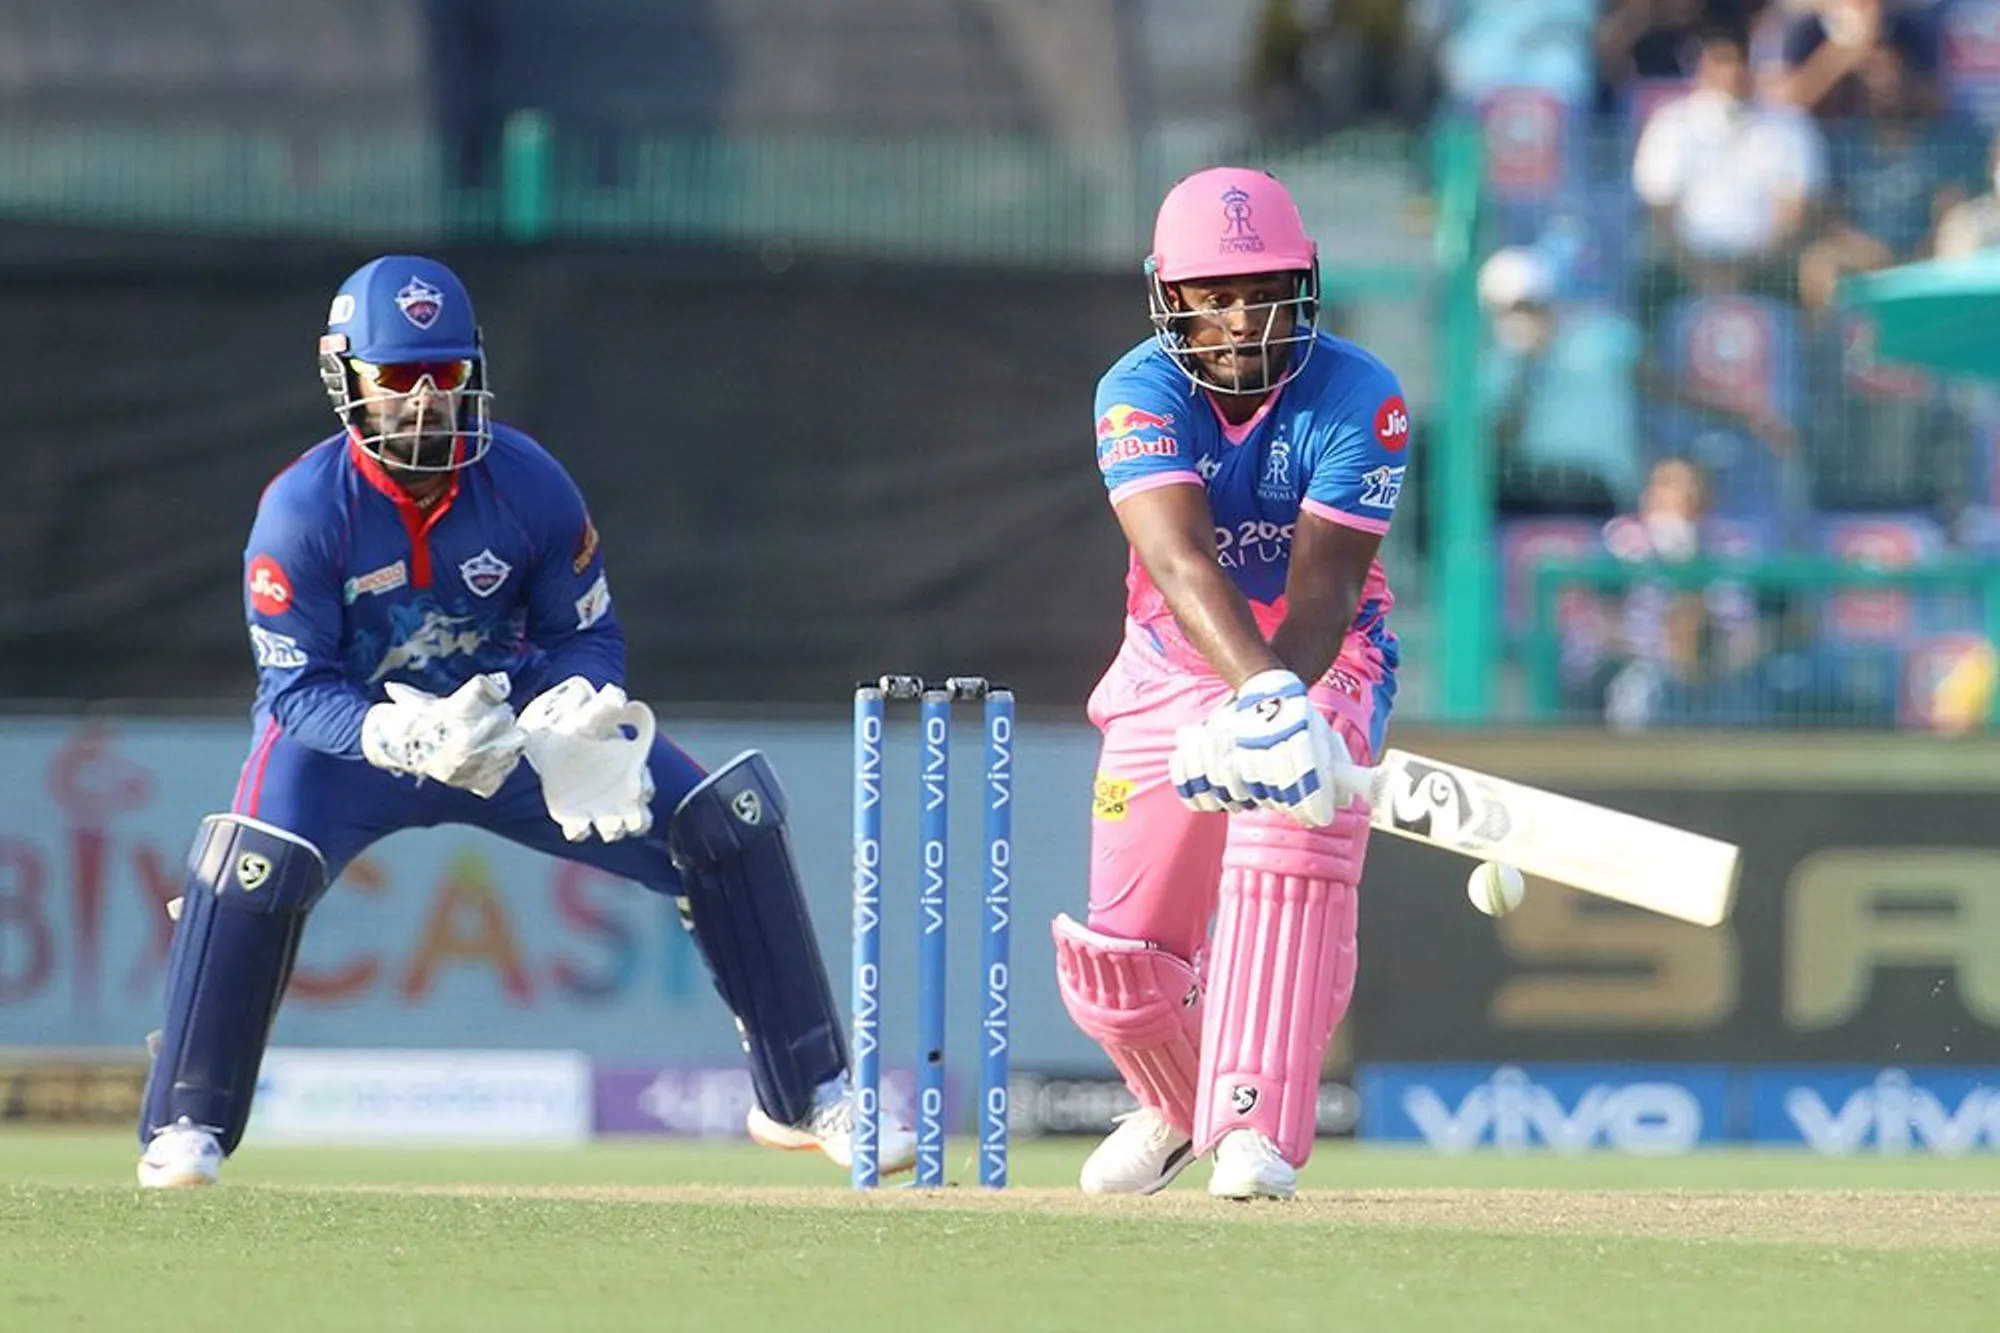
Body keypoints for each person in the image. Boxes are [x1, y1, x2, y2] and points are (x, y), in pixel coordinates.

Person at [136, 255, 913, 1187]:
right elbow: (297, 692)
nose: (425, 403)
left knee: (724, 823)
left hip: (510, 732)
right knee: (248, 866)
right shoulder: (302, 513)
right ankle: (187, 1119)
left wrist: (568, 712)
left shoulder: (529, 483)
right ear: (347, 379)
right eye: (398, 378)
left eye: (444, 374)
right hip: (357, 742)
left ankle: (808, 1092)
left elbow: (587, 635)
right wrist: (401, 736)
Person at [1054, 167, 1405, 1201]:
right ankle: (1180, 1102)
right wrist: (1251, 697)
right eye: (1213, 295)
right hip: (1169, 662)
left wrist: (1279, 703)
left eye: (1262, 290)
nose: (1241, 317)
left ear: (1305, 283)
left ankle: (1253, 1123)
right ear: (1169, 294)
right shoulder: (1136, 391)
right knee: (1119, 968)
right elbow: (1179, 562)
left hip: (1326, 658)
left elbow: (1325, 591)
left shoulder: (1362, 396)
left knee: (1287, 853)